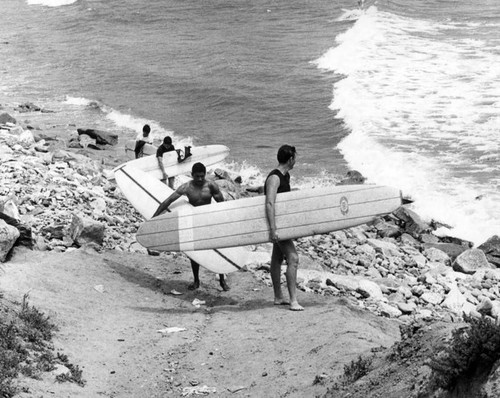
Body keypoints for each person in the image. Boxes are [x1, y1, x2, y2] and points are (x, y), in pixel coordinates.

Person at [152, 162, 230, 291]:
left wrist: (225, 222)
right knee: (194, 253)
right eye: (197, 176)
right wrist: (154, 218)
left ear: (205, 175)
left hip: (209, 221)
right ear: (192, 175)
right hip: (194, 222)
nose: (200, 179)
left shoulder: (211, 185)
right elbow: (168, 201)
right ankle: (196, 281)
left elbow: (222, 205)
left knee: (217, 250)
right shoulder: (186, 187)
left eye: (202, 176)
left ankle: (222, 280)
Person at [264, 145, 303, 311]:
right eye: (295, 157)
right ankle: (293, 301)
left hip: (283, 224)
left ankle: (278, 297)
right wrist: (273, 229)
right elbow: (269, 203)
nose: (296, 160)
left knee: (277, 259)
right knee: (293, 258)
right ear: (290, 159)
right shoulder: (275, 178)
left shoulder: (286, 176)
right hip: (277, 225)